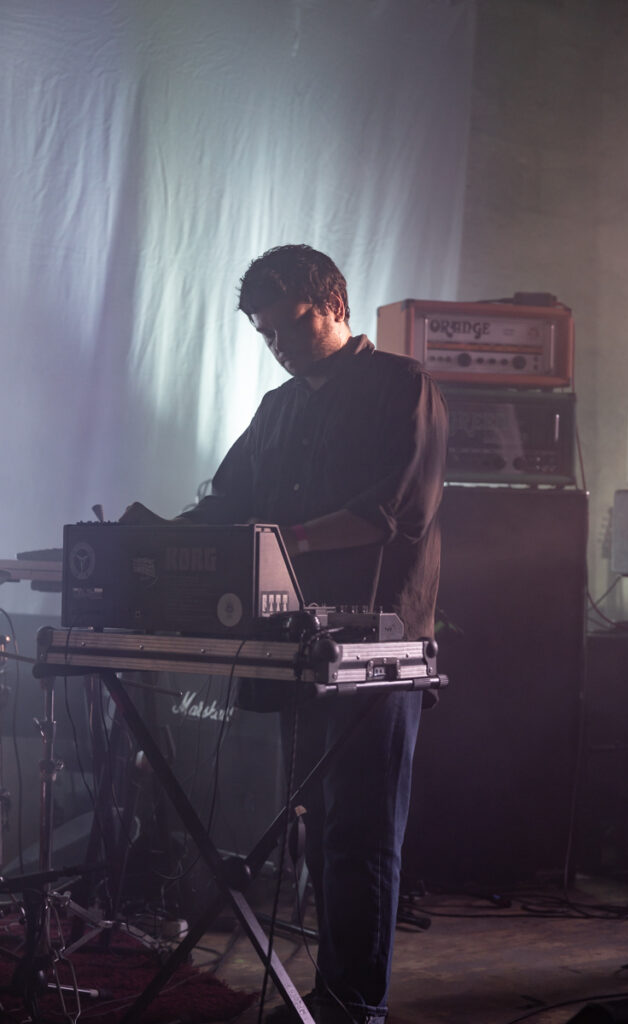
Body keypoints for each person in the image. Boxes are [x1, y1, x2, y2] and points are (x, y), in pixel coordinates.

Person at [122, 244, 448, 1024]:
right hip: (298, 645)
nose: (276, 344)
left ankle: (354, 1007)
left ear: (331, 304)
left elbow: (392, 510)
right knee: (320, 827)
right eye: (264, 333)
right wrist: (152, 542)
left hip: (375, 646)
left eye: (287, 325)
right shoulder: (278, 408)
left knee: (361, 833)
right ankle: (333, 996)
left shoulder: (402, 385)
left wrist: (284, 539)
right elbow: (227, 504)